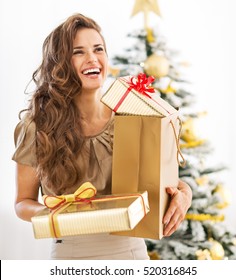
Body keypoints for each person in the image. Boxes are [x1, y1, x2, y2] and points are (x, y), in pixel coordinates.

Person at [12, 13, 192, 260]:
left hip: (130, 252)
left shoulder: (130, 115)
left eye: (98, 49)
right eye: (78, 52)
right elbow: (23, 202)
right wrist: (57, 214)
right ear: (60, 64)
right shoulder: (36, 126)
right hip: (69, 254)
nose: (92, 58)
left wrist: (186, 194)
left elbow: (163, 181)